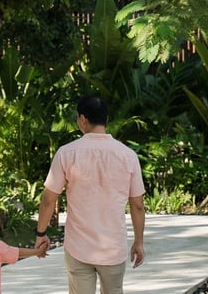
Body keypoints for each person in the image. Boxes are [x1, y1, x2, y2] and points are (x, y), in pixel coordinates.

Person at [34, 95, 146, 294]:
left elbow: (48, 201)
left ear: (82, 119)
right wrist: (138, 242)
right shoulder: (128, 155)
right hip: (113, 247)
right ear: (106, 119)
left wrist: (41, 234)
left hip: (79, 247)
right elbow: (137, 205)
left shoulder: (67, 153)